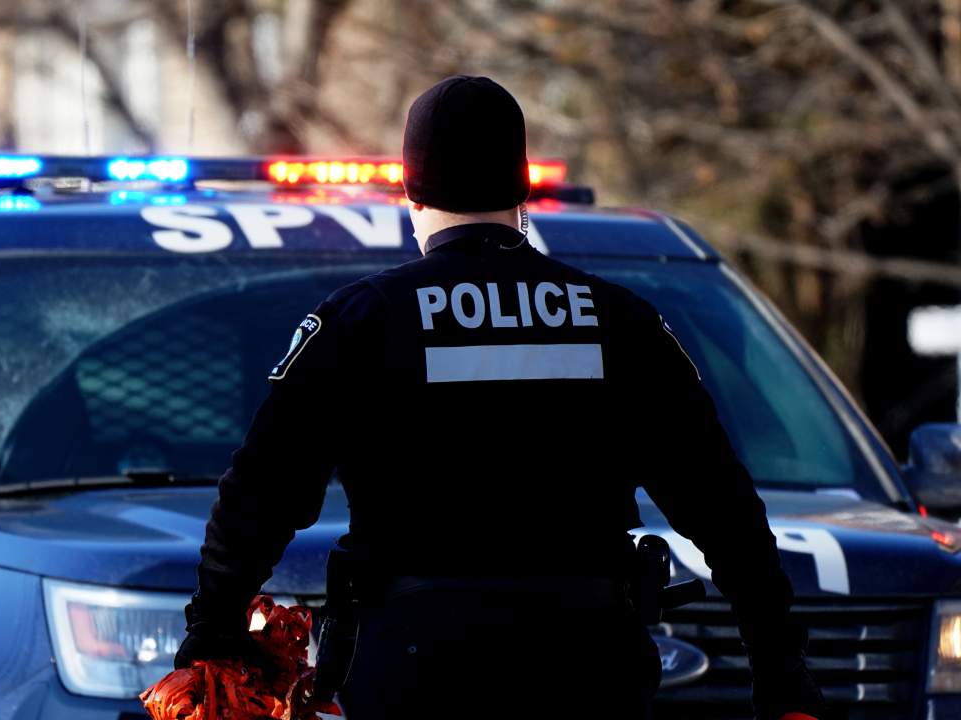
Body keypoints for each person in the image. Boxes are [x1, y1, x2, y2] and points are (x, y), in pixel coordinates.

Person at [174, 75, 825, 719]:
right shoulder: (620, 319)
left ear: (410, 190)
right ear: (521, 189)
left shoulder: (363, 320)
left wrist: (212, 639)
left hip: (417, 665)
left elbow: (259, 495)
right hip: (588, 667)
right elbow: (723, 509)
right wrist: (782, 673)